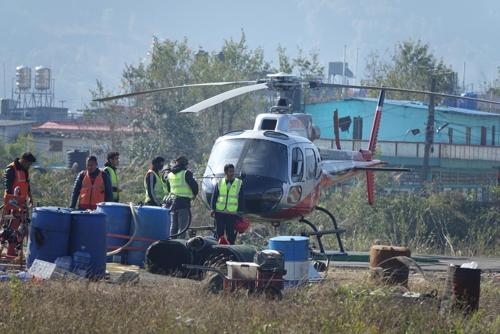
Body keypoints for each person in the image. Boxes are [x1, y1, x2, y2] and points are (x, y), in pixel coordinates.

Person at [210, 163, 244, 245]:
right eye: (230, 171)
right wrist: (212, 208)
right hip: (219, 212)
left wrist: (241, 210)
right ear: (225, 172)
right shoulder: (220, 182)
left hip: (231, 213)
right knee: (219, 232)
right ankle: (219, 248)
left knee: (230, 233)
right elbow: (214, 196)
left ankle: (231, 248)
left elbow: (242, 198)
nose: (232, 173)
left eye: (233, 171)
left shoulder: (239, 183)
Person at [166, 156, 198, 239]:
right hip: (184, 203)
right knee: (182, 228)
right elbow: (194, 186)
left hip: (173, 203)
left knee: (173, 227)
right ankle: (180, 246)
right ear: (185, 165)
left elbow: (169, 188)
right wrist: (194, 194)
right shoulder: (185, 173)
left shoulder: (170, 174)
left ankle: (171, 245)